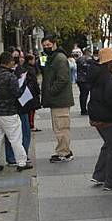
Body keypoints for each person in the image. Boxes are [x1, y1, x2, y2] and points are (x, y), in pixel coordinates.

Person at [0, 52, 33, 173]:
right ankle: (21, 163)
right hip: (9, 113)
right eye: (13, 61)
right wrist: (23, 85)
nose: (14, 63)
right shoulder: (10, 77)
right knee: (15, 139)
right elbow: (17, 94)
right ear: (8, 62)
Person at [88, 48, 112, 191]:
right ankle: (111, 180)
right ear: (110, 61)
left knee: (108, 145)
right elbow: (111, 98)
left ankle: (100, 175)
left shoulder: (98, 74)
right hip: (108, 117)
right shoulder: (107, 78)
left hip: (97, 115)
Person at [41, 35, 74, 163]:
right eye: (44, 46)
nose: (46, 48)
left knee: (61, 128)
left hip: (60, 100)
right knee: (59, 127)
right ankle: (63, 150)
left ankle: (64, 153)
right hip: (57, 100)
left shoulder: (59, 58)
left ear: (54, 44)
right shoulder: (52, 57)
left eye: (48, 45)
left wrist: (50, 91)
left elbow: (62, 79)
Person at [4, 52, 40, 165]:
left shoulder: (25, 70)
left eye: (21, 57)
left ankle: (22, 155)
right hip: (12, 107)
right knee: (14, 134)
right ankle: (14, 157)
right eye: (16, 57)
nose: (19, 59)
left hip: (23, 105)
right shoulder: (6, 73)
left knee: (24, 132)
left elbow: (33, 85)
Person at [25, 54, 42, 132]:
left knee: (30, 110)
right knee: (32, 110)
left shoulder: (25, 68)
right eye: (33, 60)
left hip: (28, 91)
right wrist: (38, 90)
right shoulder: (31, 69)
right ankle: (31, 125)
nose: (34, 61)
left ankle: (30, 124)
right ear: (30, 60)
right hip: (32, 91)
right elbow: (34, 81)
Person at [76, 48, 94, 115]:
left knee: (83, 95)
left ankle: (83, 109)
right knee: (84, 95)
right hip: (83, 79)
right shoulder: (83, 59)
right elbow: (85, 67)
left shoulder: (81, 59)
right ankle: (83, 110)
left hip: (81, 79)